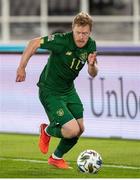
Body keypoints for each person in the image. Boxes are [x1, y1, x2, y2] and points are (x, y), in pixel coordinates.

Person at [16, 11, 98, 169]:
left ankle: (56, 157)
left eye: (85, 33)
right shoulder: (61, 41)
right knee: (72, 129)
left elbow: (92, 74)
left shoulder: (91, 45)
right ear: (72, 29)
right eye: (78, 32)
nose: (81, 37)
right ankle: (47, 130)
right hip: (50, 91)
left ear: (90, 32)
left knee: (80, 129)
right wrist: (22, 67)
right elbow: (33, 43)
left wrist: (92, 65)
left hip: (68, 90)